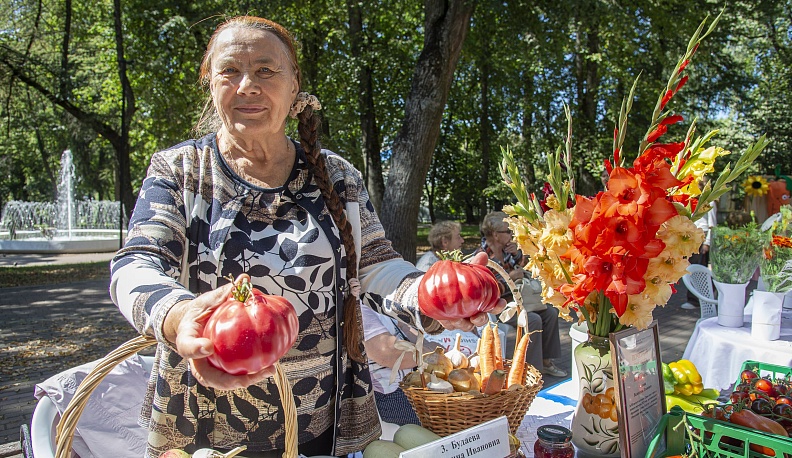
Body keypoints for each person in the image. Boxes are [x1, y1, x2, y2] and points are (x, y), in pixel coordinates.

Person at [109, 16, 501, 458]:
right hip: (206, 412)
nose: (247, 85)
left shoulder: (337, 176)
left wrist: (435, 296)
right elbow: (135, 264)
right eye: (229, 71)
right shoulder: (178, 172)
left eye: (265, 70)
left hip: (320, 409)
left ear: (295, 86)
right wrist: (178, 316)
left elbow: (377, 267)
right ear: (210, 83)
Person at [474, 211, 567, 378]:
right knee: (532, 319)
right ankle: (531, 371)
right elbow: (485, 291)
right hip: (498, 306)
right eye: (508, 232)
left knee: (551, 313)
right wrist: (510, 278)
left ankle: (546, 362)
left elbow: (525, 269)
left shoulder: (507, 249)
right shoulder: (481, 256)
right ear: (495, 234)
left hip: (521, 300)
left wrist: (518, 253)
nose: (511, 235)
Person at [682, 196, 718, 310]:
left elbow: (712, 224)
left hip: (701, 239)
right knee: (690, 269)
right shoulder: (690, 199)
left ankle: (697, 299)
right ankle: (698, 297)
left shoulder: (708, 201)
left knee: (698, 270)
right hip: (690, 238)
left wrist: (707, 243)